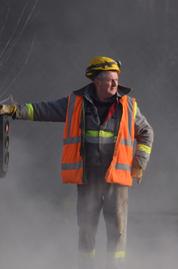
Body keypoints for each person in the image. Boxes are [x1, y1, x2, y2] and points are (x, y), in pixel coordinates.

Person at [0, 56, 154, 269]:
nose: (115, 84)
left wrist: (140, 162)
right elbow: (43, 110)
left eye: (116, 80)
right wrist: (15, 110)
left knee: (117, 232)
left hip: (116, 181)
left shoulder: (128, 106)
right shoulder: (76, 104)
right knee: (86, 229)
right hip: (88, 178)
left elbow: (147, 132)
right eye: (110, 80)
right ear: (96, 82)